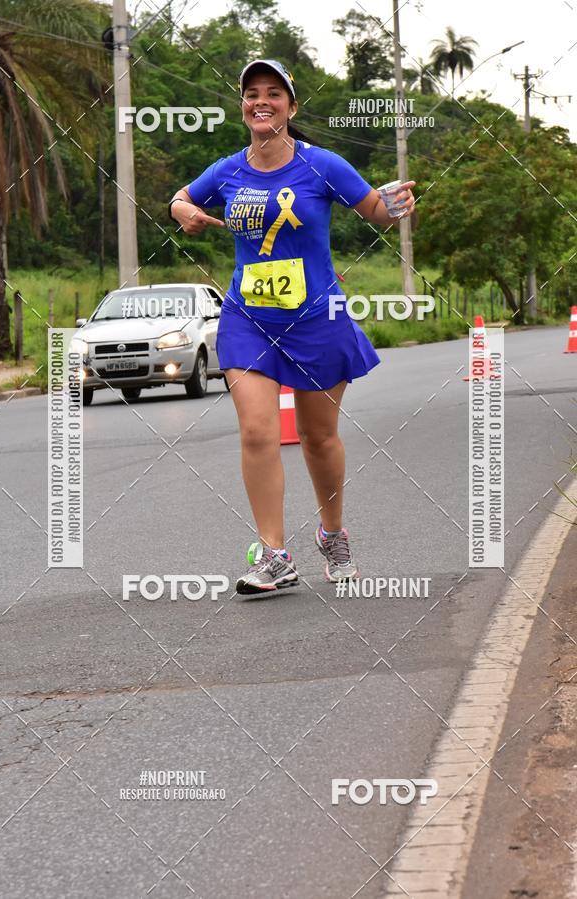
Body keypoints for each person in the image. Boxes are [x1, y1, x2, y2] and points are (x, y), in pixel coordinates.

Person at [168, 59, 415, 595]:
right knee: (257, 431)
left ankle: (332, 534)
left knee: (317, 436)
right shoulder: (227, 170)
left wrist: (397, 204)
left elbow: (377, 211)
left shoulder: (322, 164)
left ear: (291, 106)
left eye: (273, 93)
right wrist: (180, 208)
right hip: (248, 318)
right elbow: (181, 197)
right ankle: (274, 554)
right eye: (252, 93)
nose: (262, 101)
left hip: (317, 318)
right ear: (243, 106)